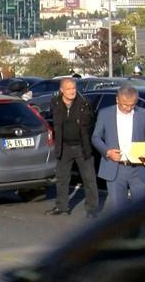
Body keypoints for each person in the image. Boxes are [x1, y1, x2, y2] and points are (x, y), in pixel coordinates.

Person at [92, 85, 145, 210]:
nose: (128, 108)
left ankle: (141, 229)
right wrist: (107, 152)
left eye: (132, 105)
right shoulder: (105, 114)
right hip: (115, 169)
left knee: (141, 209)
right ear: (117, 100)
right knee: (119, 211)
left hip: (138, 169)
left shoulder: (144, 114)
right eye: (125, 105)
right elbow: (95, 138)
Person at [45, 79, 99, 218]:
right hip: (64, 147)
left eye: (74, 88)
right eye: (68, 89)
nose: (72, 91)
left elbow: (91, 124)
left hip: (82, 147)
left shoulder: (83, 103)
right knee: (62, 179)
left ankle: (92, 209)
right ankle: (62, 206)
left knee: (89, 179)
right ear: (62, 90)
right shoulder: (56, 103)